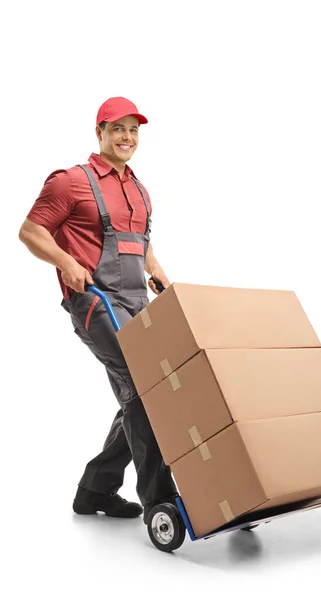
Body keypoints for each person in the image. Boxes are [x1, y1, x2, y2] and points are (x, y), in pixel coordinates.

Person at [19, 96, 178, 524]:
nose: (126, 137)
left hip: (136, 302)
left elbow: (140, 243)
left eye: (134, 130)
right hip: (95, 300)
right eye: (117, 128)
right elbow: (30, 231)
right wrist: (67, 263)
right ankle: (161, 503)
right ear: (100, 133)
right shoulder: (70, 181)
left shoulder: (139, 188)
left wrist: (157, 271)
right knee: (144, 387)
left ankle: (95, 489)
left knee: (145, 392)